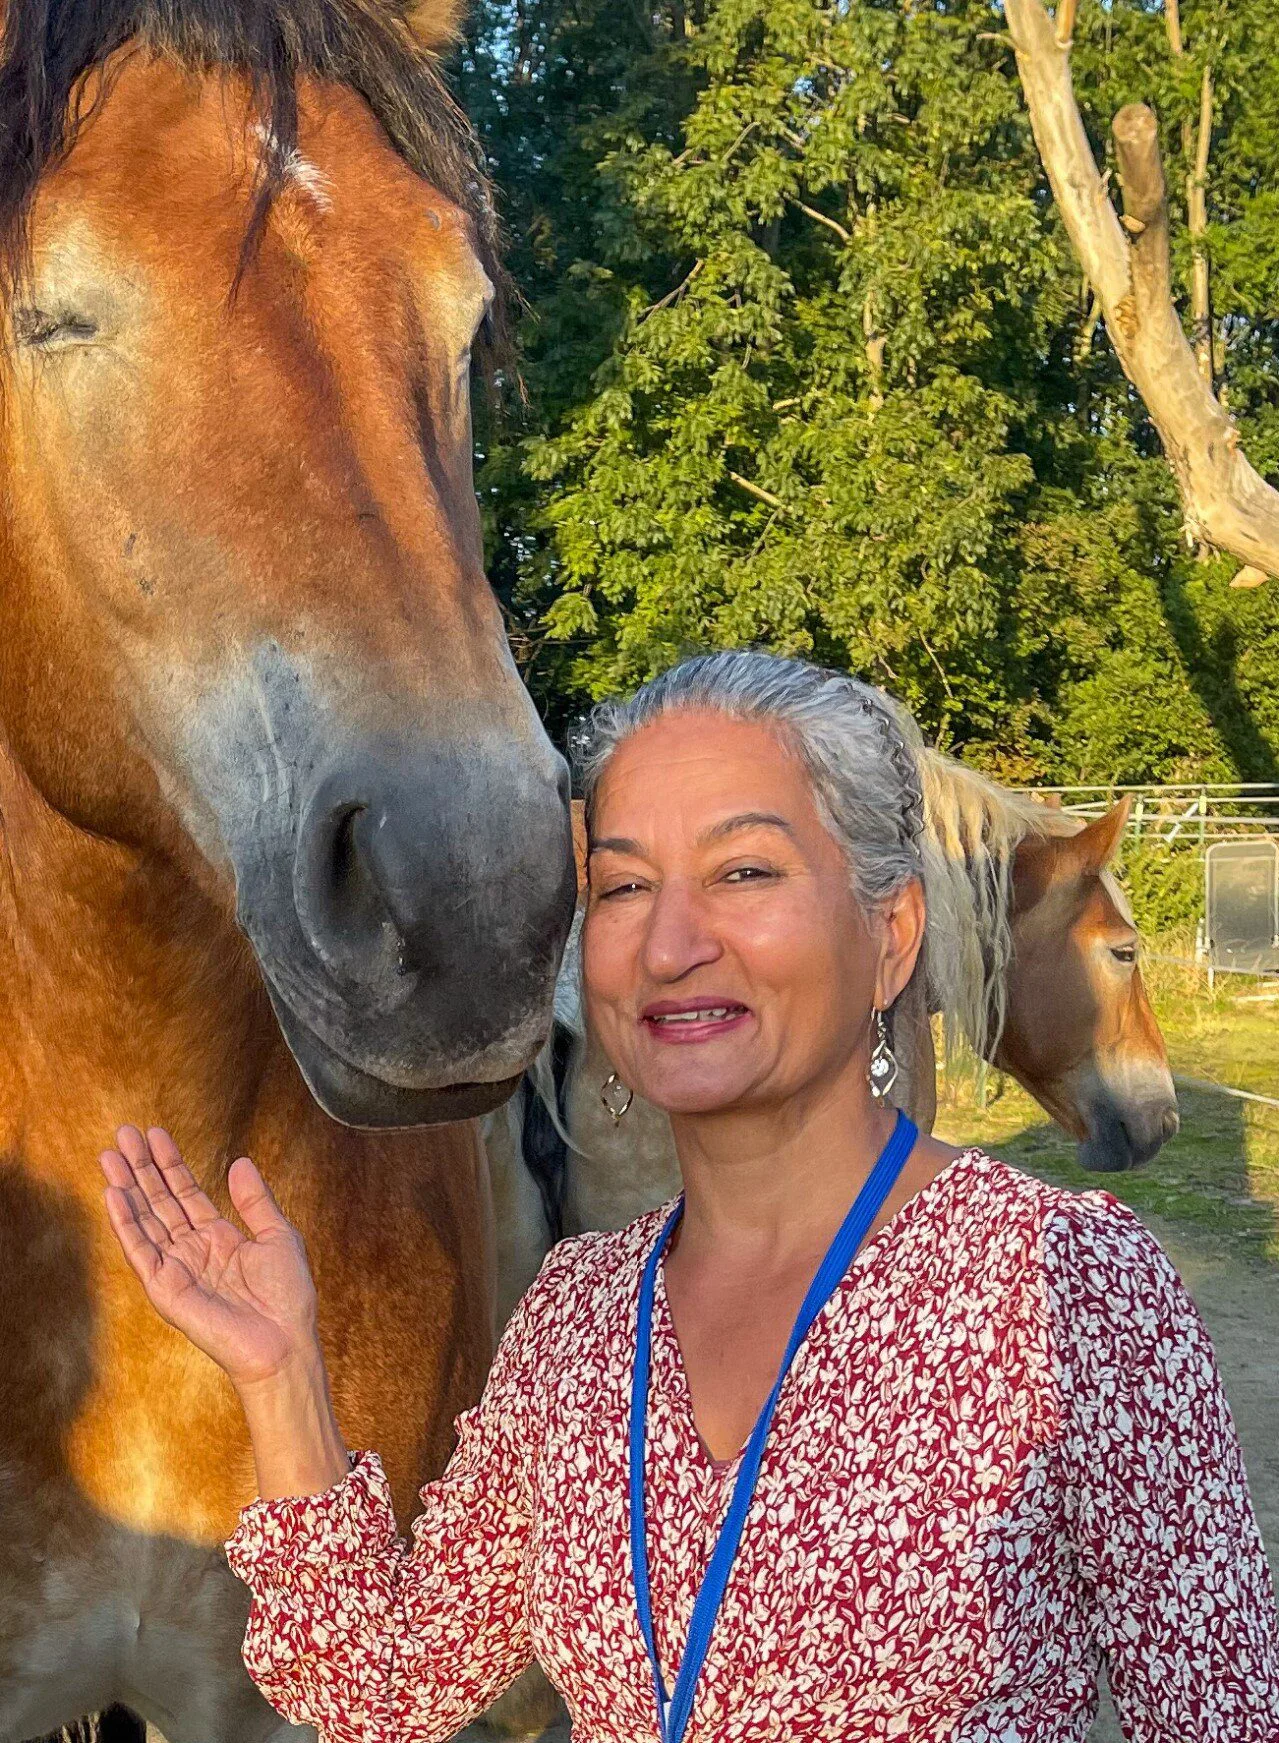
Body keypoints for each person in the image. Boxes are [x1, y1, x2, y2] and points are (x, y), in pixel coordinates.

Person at [100, 650, 1279, 1742]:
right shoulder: (575, 1316)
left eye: (743, 871)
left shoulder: (1070, 1287)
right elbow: (383, 1686)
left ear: (890, 934)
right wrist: (281, 1375)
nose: (669, 945)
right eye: (623, 887)